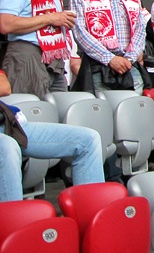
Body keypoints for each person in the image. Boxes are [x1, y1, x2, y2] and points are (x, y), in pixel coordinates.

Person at [0, 70, 104, 202]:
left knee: (88, 139)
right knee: (8, 146)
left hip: (12, 123)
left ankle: (90, 216)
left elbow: (4, 86)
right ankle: (12, 220)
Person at [70, 0, 147, 94]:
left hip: (129, 65)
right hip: (98, 66)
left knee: (134, 113)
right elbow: (79, 31)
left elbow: (140, 27)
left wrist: (129, 59)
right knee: (102, 114)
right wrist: (110, 59)